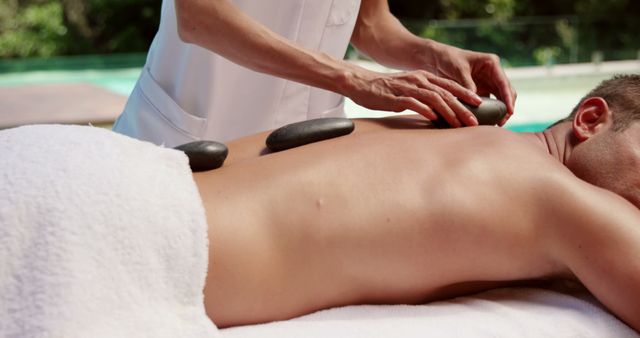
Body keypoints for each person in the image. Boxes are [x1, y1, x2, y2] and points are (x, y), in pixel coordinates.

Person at [191, 74, 640, 330]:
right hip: (174, 246)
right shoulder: (559, 196)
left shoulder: (431, 131)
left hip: (161, 186)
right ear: (591, 119)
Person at [112, 0, 517, 147]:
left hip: (307, 147)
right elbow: (199, 16)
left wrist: (435, 55)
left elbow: (369, 23)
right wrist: (353, 78)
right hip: (189, 138)